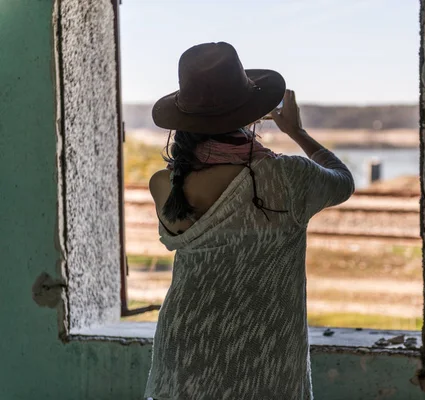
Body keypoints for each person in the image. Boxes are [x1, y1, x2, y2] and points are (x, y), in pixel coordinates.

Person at [144, 42, 355, 400]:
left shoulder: (164, 184)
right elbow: (342, 180)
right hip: (264, 355)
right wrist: (296, 132)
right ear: (249, 115)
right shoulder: (286, 176)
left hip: (183, 353)